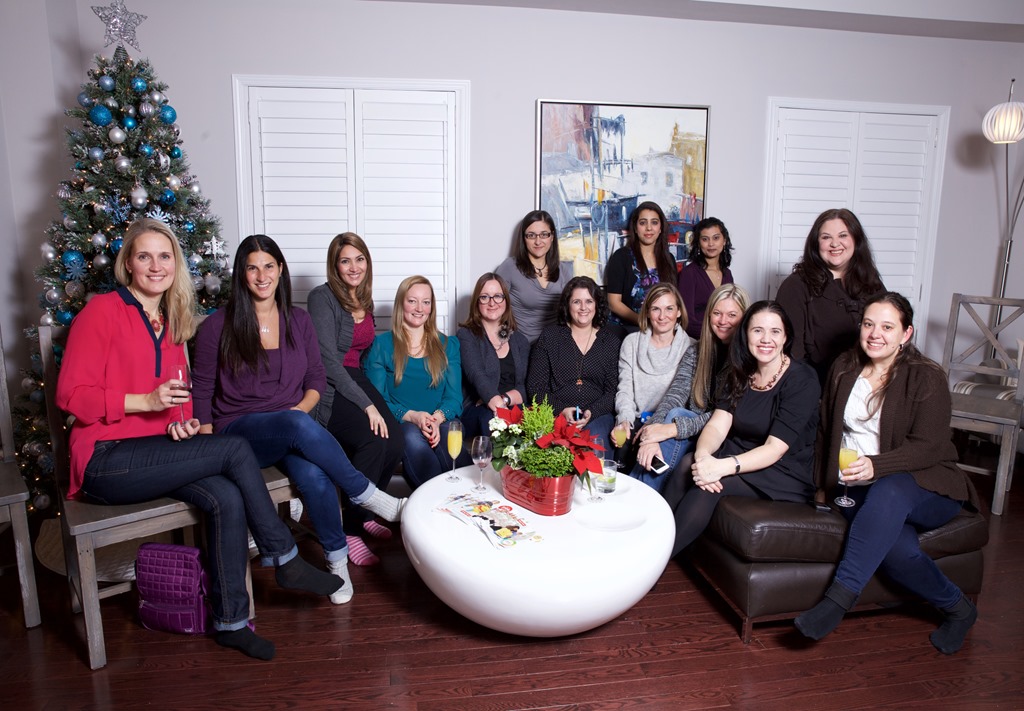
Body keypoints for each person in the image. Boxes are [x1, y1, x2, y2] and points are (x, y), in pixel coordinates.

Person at [56, 218, 343, 662]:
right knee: (235, 447)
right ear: (128, 263)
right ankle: (284, 557)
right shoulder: (102, 312)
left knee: (225, 496)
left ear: (176, 264)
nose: (156, 266)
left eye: (165, 256)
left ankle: (231, 622)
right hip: (104, 459)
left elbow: (180, 397)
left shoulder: (171, 322)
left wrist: (181, 423)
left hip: (159, 452)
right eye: (145, 256)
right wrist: (143, 401)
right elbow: (70, 396)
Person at [193, 234, 407, 606]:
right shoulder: (218, 325)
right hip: (238, 431)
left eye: (269, 266)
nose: (262, 276)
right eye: (252, 268)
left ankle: (337, 562)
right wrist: (208, 445)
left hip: (290, 426)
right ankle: (369, 495)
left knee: (315, 476)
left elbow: (315, 379)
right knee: (296, 425)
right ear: (241, 274)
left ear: (281, 270)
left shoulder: (298, 320)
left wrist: (300, 414)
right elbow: (201, 387)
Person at [794, 292, 981, 654]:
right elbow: (825, 430)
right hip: (859, 485)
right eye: (868, 324)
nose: (875, 334)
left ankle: (838, 600)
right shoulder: (844, 367)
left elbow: (928, 447)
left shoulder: (927, 377)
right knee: (896, 550)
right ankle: (959, 609)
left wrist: (878, 465)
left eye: (887, 327)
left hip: (926, 485)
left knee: (891, 488)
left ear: (906, 333)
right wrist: (821, 484)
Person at [667, 301, 820, 558]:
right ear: (746, 334)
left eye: (775, 331)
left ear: (786, 337)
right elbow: (717, 425)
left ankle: (656, 562)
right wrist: (703, 457)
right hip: (738, 453)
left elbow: (774, 449)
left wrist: (720, 468)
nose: (766, 339)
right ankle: (654, 544)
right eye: (757, 330)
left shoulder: (802, 379)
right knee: (686, 464)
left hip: (780, 469)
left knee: (711, 485)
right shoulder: (741, 372)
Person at [307, 232, 404, 567]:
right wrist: (366, 404)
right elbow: (327, 361)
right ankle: (348, 530)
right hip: (327, 385)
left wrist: (376, 397)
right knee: (373, 440)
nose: (354, 267)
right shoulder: (322, 298)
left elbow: (361, 357)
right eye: (345, 261)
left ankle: (364, 512)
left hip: (354, 378)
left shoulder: (364, 299)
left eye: (359, 259)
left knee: (396, 441)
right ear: (335, 265)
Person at [634, 284, 751, 494]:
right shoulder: (696, 351)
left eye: (732, 315)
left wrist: (673, 429)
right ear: (709, 315)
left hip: (722, 436)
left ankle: (638, 497)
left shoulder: (748, 361)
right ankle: (641, 497)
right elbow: (675, 394)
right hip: (691, 427)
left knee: (677, 415)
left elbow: (725, 417)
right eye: (717, 313)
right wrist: (654, 432)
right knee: (674, 412)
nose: (723, 321)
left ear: (744, 317)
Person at [365, 275, 469, 487]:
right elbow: (378, 400)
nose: (419, 308)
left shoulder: (448, 345)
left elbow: (454, 397)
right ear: (401, 304)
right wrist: (413, 416)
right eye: (412, 301)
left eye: (426, 302)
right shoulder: (381, 345)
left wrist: (437, 419)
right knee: (411, 436)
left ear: (431, 307)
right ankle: (435, 501)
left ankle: (473, 496)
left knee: (449, 434)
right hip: (403, 423)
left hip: (442, 420)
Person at [777, 208, 885, 384]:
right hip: (817, 383)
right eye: (826, 237)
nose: (835, 244)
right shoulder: (795, 286)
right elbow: (790, 353)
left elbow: (890, 332)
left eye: (843, 235)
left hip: (869, 380)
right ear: (816, 243)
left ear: (856, 240)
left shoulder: (871, 281)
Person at [527, 276, 622, 453]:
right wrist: (561, 410)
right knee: (553, 449)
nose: (583, 307)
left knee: (593, 443)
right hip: (555, 412)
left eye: (589, 301)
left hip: (597, 416)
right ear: (567, 305)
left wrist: (591, 413)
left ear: (597, 305)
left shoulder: (610, 343)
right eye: (577, 302)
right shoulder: (550, 337)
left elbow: (612, 392)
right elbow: (536, 387)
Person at [612, 283, 693, 492]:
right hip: (634, 419)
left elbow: (682, 400)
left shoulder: (692, 348)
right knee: (616, 448)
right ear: (647, 312)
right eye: (656, 309)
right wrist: (624, 420)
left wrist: (654, 430)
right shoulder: (631, 342)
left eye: (669, 308)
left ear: (679, 312)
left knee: (650, 467)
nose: (662, 316)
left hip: (665, 424)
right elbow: (625, 388)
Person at [457, 272, 530, 442]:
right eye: (484, 297)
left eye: (498, 296)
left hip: (512, 405)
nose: (492, 303)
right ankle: (494, 461)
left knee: (536, 419)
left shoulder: (520, 340)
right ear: (477, 302)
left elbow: (527, 386)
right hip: (478, 409)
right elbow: (477, 375)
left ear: (506, 300)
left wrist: (504, 399)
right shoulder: (467, 336)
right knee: (490, 419)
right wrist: (494, 401)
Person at [495, 210, 573, 343]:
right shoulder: (509, 267)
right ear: (524, 238)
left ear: (552, 237)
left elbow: (571, 313)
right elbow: (493, 309)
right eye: (531, 235)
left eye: (544, 235)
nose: (538, 241)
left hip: (554, 345)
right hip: (520, 345)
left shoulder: (564, 270)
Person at [604, 201, 677, 332]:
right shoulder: (621, 257)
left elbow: (673, 299)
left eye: (654, 222)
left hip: (660, 328)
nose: (649, 228)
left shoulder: (669, 259)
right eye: (643, 223)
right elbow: (614, 303)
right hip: (626, 329)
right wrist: (643, 321)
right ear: (636, 228)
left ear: (661, 228)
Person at [677, 217, 735, 340]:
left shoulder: (727, 274)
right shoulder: (689, 274)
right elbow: (686, 321)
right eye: (705, 239)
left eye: (716, 238)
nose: (711, 244)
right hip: (697, 340)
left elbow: (731, 313)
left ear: (724, 240)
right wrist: (715, 336)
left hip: (724, 339)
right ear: (698, 243)